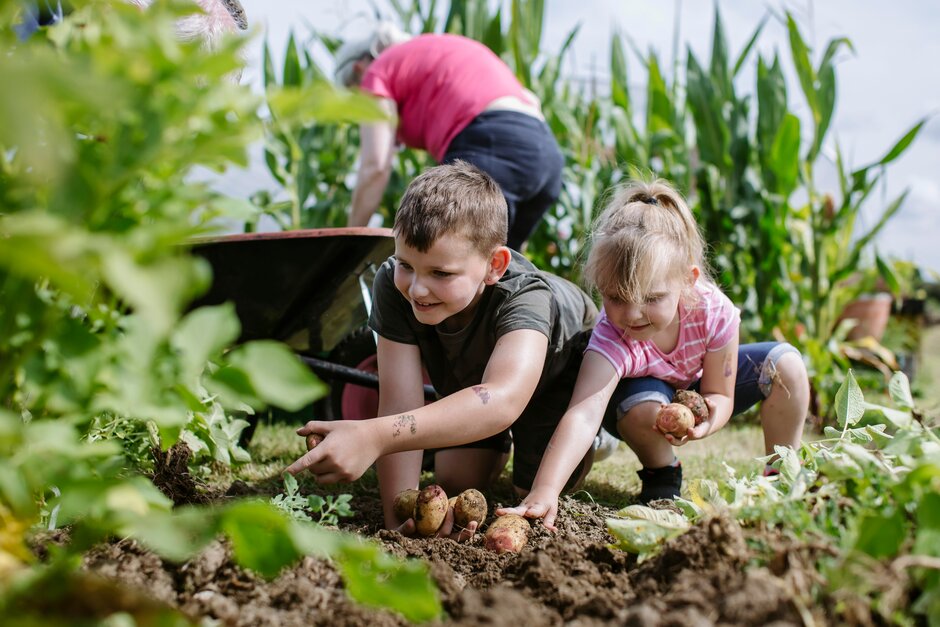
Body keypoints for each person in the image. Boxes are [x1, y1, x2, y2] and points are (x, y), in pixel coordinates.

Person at [285, 161, 598, 536]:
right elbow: (400, 403)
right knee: (452, 478)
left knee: (527, 493)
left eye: (441, 273)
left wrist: (374, 435)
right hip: (475, 380)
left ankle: (590, 437)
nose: (417, 288)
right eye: (406, 265)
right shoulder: (393, 284)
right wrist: (400, 518)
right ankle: (495, 442)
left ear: (494, 265)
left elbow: (503, 399)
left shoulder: (526, 296)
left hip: (557, 372)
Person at [497, 179, 810, 530]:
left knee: (787, 364)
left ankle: (781, 473)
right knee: (642, 407)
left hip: (699, 385)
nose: (632, 315)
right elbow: (584, 413)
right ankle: (662, 473)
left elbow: (719, 393)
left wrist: (707, 422)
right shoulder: (613, 335)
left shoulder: (713, 312)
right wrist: (545, 490)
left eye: (651, 298)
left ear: (688, 281)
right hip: (638, 400)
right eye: (615, 298)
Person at [334, 22, 564, 251]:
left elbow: (375, 165)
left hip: (493, 146)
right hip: (547, 157)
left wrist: (350, 243)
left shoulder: (376, 72)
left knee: (441, 259)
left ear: (358, 69)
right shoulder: (433, 49)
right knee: (502, 270)